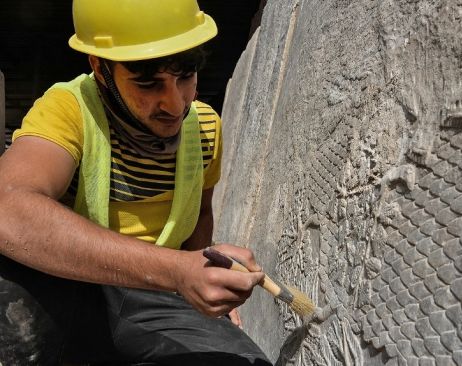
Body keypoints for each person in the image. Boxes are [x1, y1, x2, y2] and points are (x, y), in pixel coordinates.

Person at [0, 0, 271, 364]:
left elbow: (201, 214)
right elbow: (8, 207)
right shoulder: (67, 110)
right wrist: (177, 271)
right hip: (65, 288)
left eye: (185, 77)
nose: (175, 104)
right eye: (148, 83)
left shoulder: (206, 128)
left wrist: (206, 276)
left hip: (154, 296)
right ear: (100, 67)